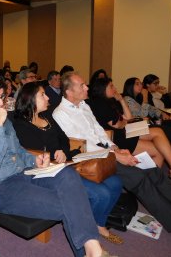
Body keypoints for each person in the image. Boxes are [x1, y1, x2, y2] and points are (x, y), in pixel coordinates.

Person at [0, 74, 113, 257]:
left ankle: (92, 249)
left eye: (3, 97)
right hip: (1, 187)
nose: (1, 103)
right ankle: (92, 250)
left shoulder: (5, 122)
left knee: (67, 175)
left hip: (25, 173)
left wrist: (35, 160)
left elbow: (19, 150)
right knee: (70, 204)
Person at [53, 71, 171, 244]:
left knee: (153, 171)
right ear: (69, 92)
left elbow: (100, 133)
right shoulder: (60, 113)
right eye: (82, 85)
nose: (87, 87)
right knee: (139, 177)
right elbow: (81, 146)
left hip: (106, 152)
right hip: (89, 159)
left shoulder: (84, 105)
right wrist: (116, 156)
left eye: (86, 84)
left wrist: (117, 149)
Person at [14, 82, 123, 244]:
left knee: (115, 182)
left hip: (67, 161)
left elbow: (64, 138)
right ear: (30, 99)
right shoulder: (20, 124)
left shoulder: (47, 116)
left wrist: (62, 151)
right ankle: (90, 234)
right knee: (101, 194)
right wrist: (53, 154)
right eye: (42, 95)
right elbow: (31, 152)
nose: (48, 97)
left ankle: (97, 223)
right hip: (46, 170)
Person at [88, 77, 171, 186]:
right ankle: (156, 180)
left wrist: (121, 100)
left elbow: (129, 117)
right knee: (158, 149)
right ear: (103, 89)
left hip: (124, 132)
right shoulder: (99, 103)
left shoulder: (110, 102)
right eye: (111, 86)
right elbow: (117, 124)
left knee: (158, 132)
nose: (115, 88)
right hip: (116, 138)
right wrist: (125, 122)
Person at [123, 77, 171, 175]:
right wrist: (146, 100)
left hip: (152, 123)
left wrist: (162, 114)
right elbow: (140, 115)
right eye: (137, 84)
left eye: (140, 83)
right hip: (142, 127)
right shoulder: (127, 99)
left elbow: (152, 109)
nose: (140, 85)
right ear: (130, 86)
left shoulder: (138, 97)